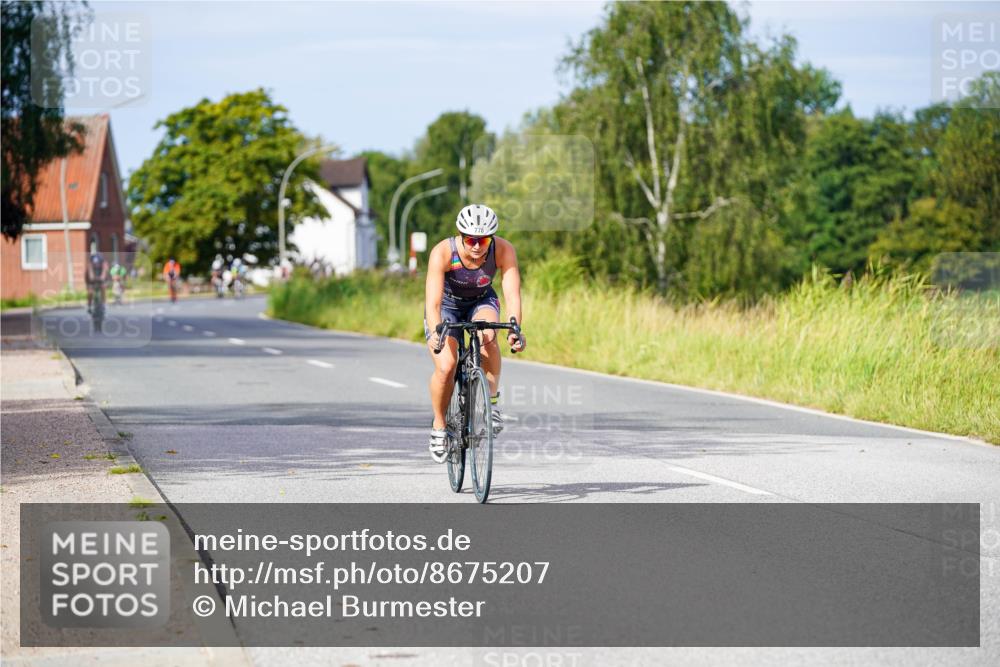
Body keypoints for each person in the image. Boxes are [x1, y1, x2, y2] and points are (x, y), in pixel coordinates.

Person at [424, 204, 525, 463]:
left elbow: (513, 295)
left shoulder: (503, 250)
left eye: (483, 240)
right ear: (461, 235)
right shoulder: (443, 252)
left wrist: (515, 328)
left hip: (481, 301)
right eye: (471, 240)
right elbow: (433, 304)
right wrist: (437, 331)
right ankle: (439, 425)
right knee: (446, 365)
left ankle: (490, 404)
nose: (477, 246)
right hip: (447, 306)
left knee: (489, 336)